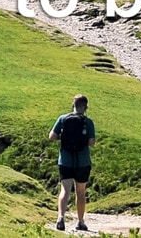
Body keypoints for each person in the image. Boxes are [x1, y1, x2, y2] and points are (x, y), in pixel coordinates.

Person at [50, 94, 94, 231]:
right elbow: (92, 142)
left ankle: (60, 218)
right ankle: (80, 221)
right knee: (80, 192)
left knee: (65, 190)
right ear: (85, 107)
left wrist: (64, 137)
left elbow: (52, 136)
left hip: (65, 160)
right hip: (83, 161)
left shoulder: (63, 119)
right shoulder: (88, 122)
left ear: (73, 105)